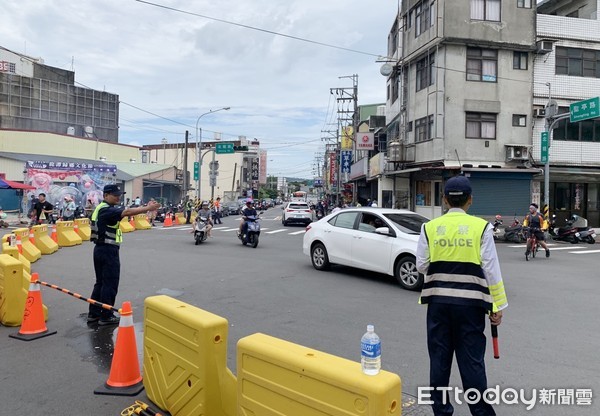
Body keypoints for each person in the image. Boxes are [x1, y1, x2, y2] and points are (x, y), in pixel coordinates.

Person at [416, 176, 507, 416]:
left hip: (438, 304)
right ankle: (481, 412)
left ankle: (442, 412)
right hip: (471, 307)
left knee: (439, 361)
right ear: (470, 201)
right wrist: (496, 307)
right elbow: (491, 270)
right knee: (472, 363)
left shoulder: (429, 227)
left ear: (444, 200)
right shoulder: (481, 228)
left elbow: (421, 265)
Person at [87, 184, 160, 326]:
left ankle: (94, 314)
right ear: (106, 195)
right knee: (109, 283)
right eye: (115, 195)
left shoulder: (100, 208)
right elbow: (126, 212)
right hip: (108, 250)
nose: (118, 197)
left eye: (119, 194)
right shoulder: (107, 210)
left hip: (100, 249)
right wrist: (148, 208)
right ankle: (106, 316)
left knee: (100, 283)